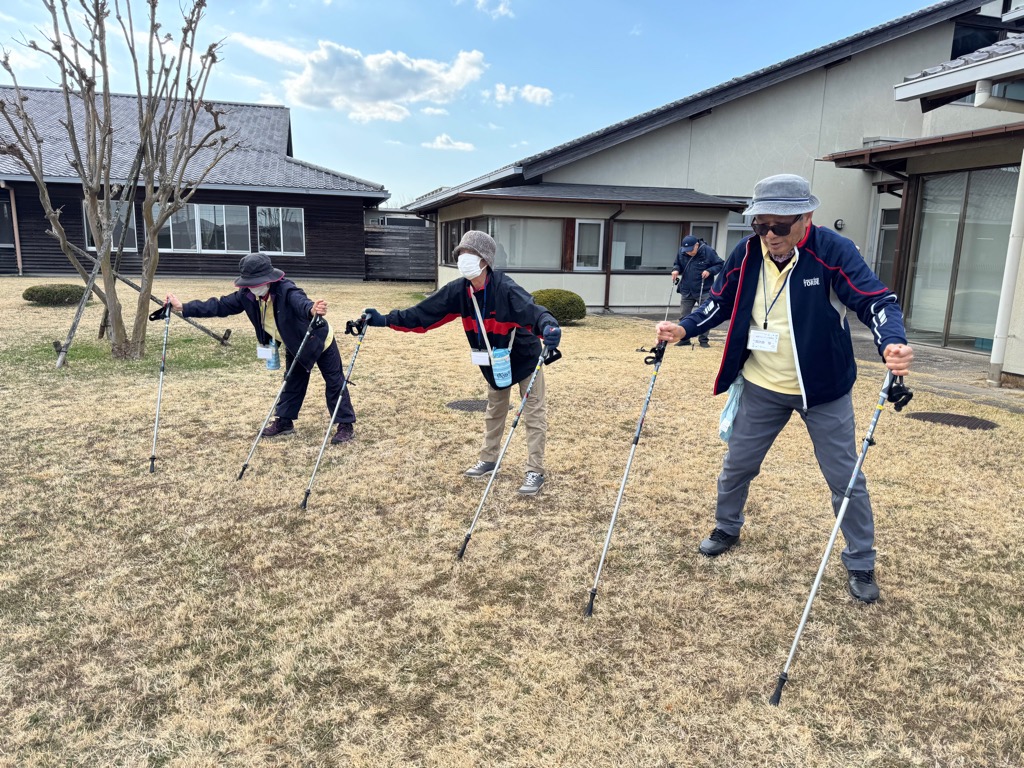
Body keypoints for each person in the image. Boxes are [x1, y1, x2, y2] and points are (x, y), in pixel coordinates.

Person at [655, 174, 914, 603]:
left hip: (823, 389)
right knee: (738, 463)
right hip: (762, 383)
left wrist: (894, 343)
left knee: (844, 478)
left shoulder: (833, 250)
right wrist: (684, 328)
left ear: (806, 217)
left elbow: (875, 300)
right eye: (761, 225)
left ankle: (861, 561)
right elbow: (720, 299)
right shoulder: (747, 252)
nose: (770, 235)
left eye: (781, 226)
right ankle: (727, 526)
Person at [362, 231, 561, 496]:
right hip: (493, 362)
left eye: (470, 254)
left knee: (534, 413)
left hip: (523, 357)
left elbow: (533, 311)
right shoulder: (459, 291)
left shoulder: (506, 288)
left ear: (485, 260)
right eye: (461, 254)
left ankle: (534, 469)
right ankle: (489, 460)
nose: (463, 259)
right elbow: (424, 314)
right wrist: (385, 319)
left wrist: (548, 326)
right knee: (494, 411)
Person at [165, 252, 356, 443]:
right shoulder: (246, 296)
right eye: (249, 283)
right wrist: (184, 307)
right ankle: (284, 422)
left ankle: (345, 425)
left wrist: (311, 309)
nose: (253, 287)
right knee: (292, 382)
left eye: (256, 282)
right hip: (293, 344)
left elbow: (299, 301)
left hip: (319, 340)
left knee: (334, 381)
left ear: (269, 279)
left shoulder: (286, 289)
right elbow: (220, 306)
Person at [671, 234, 723, 347]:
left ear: (697, 245)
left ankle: (703, 340)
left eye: (690, 250)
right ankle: (684, 339)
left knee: (704, 315)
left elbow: (720, 264)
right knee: (684, 315)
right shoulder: (682, 251)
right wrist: (675, 270)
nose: (688, 252)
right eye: (686, 250)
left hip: (704, 289)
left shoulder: (708, 251)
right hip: (686, 289)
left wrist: (709, 271)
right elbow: (677, 264)